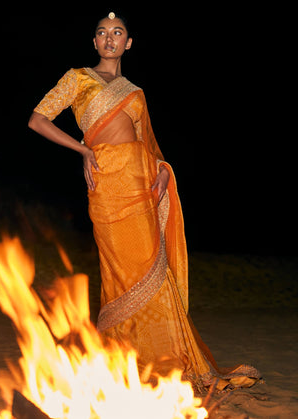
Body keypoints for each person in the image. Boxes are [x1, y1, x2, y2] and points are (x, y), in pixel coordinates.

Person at [28, 12, 261, 393]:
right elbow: (38, 120)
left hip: (140, 184)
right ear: (94, 42)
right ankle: (122, 360)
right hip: (105, 184)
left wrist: (164, 170)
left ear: (128, 43)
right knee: (120, 275)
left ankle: (170, 362)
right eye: (102, 33)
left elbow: (148, 145)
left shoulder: (135, 92)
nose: (109, 39)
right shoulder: (77, 78)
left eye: (117, 33)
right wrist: (83, 150)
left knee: (155, 271)